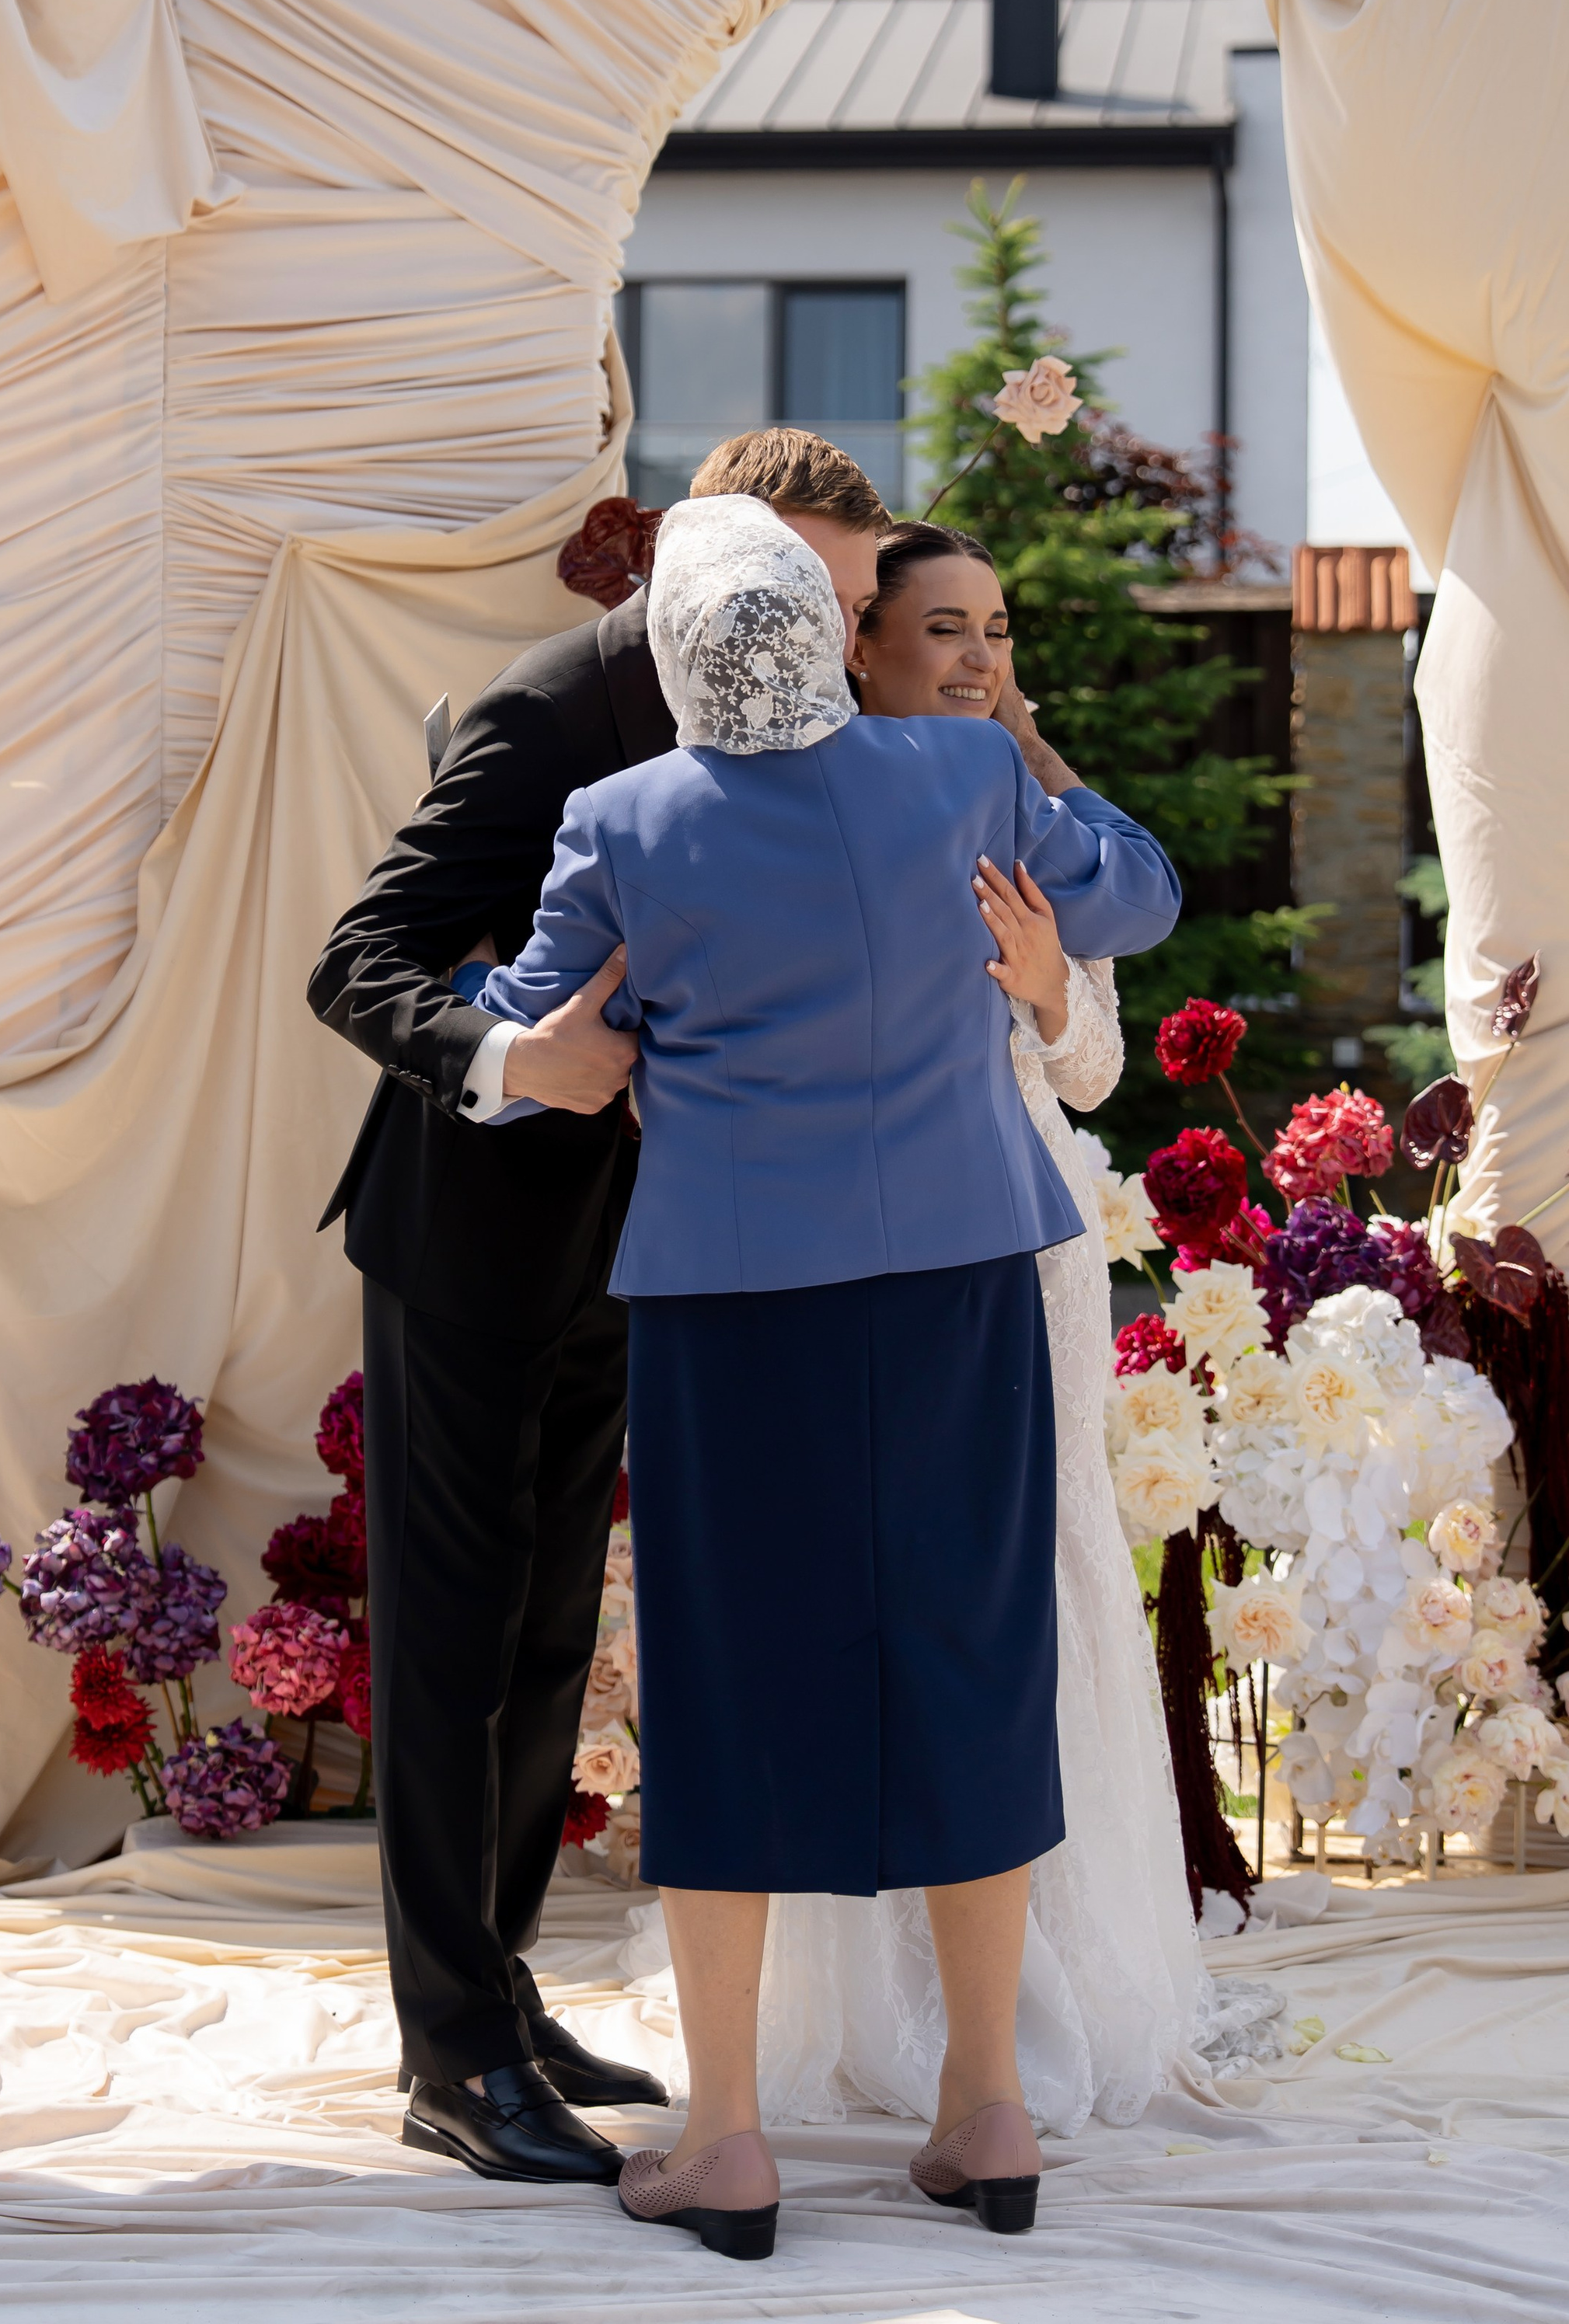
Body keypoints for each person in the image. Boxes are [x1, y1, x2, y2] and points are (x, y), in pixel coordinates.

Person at [473, 496, 1182, 2259]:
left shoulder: (618, 820)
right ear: (821, 620)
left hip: (734, 1301)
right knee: (967, 1655)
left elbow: (542, 1046)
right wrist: (1028, 770)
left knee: (732, 1687)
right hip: (954, 1285)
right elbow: (1138, 898)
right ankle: (985, 2113)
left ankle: (726, 2140)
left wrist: (505, 1037)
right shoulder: (955, 779)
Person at [305, 430, 887, 2191]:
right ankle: (447, 2060)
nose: (833, 638)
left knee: (552, 1640)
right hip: (470, 1238)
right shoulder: (549, 712)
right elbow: (359, 958)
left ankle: (501, 1992)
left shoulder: (802, 714)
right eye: (811, 590)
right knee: (451, 1644)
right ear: (703, 558)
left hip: (641, 1248)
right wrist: (514, 1056)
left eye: (849, 605)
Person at [748, 523, 1198, 2138]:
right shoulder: (813, 804)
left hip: (1031, 1246)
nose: (976, 656)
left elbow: (1091, 1073)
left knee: (1049, 1581)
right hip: (865, 1251)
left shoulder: (1017, 811)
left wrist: (1043, 986)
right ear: (859, 647)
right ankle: (888, 2006)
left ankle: (1056, 1990)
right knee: (878, 1599)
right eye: (942, 628)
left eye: (995, 628)